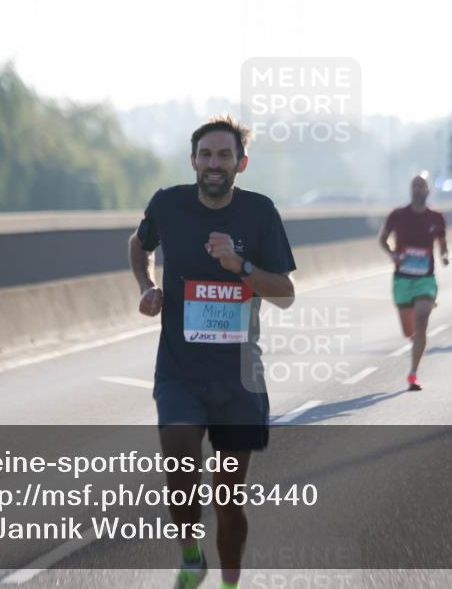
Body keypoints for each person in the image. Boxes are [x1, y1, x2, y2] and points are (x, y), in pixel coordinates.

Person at [128, 116, 297, 589]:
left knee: (228, 497)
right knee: (180, 467)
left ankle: (229, 583)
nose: (214, 164)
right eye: (206, 155)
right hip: (180, 370)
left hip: (238, 376)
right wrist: (147, 286)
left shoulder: (260, 213)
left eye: (224, 155)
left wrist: (240, 266)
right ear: (193, 161)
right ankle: (189, 555)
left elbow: (284, 292)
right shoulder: (168, 204)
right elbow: (137, 245)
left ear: (240, 163)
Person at [378, 172, 449, 391]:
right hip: (402, 280)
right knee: (409, 332)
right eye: (414, 186)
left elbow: (442, 243)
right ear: (411, 190)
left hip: (425, 279)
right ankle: (414, 343)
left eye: (421, 186)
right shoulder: (398, 215)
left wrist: (445, 255)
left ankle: (413, 373)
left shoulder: (436, 217)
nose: (418, 190)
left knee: (422, 321)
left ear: (428, 190)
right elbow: (382, 240)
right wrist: (392, 254)